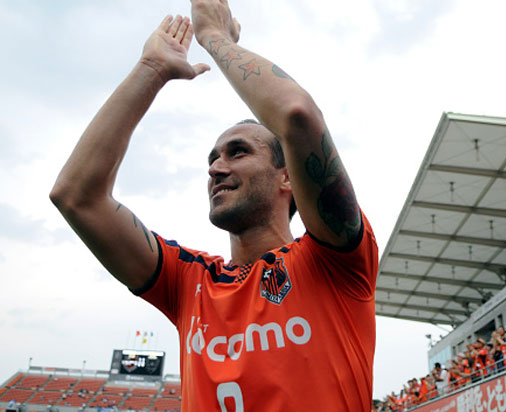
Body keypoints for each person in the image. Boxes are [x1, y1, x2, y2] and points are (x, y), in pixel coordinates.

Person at [49, 3, 378, 411]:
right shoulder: (189, 283)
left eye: (238, 152)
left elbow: (297, 115)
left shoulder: (335, 260)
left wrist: (213, 37)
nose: (216, 168)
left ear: (288, 177)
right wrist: (151, 69)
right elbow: (76, 196)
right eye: (213, 159)